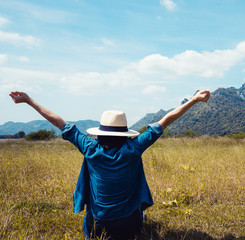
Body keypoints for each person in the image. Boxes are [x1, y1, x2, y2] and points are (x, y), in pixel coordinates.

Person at [9, 89, 210, 239]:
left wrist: (28, 101)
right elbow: (166, 120)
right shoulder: (134, 147)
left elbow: (59, 122)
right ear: (124, 132)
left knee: (91, 216)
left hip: (98, 227)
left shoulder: (89, 147)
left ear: (100, 132)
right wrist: (194, 100)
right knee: (138, 215)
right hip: (130, 228)